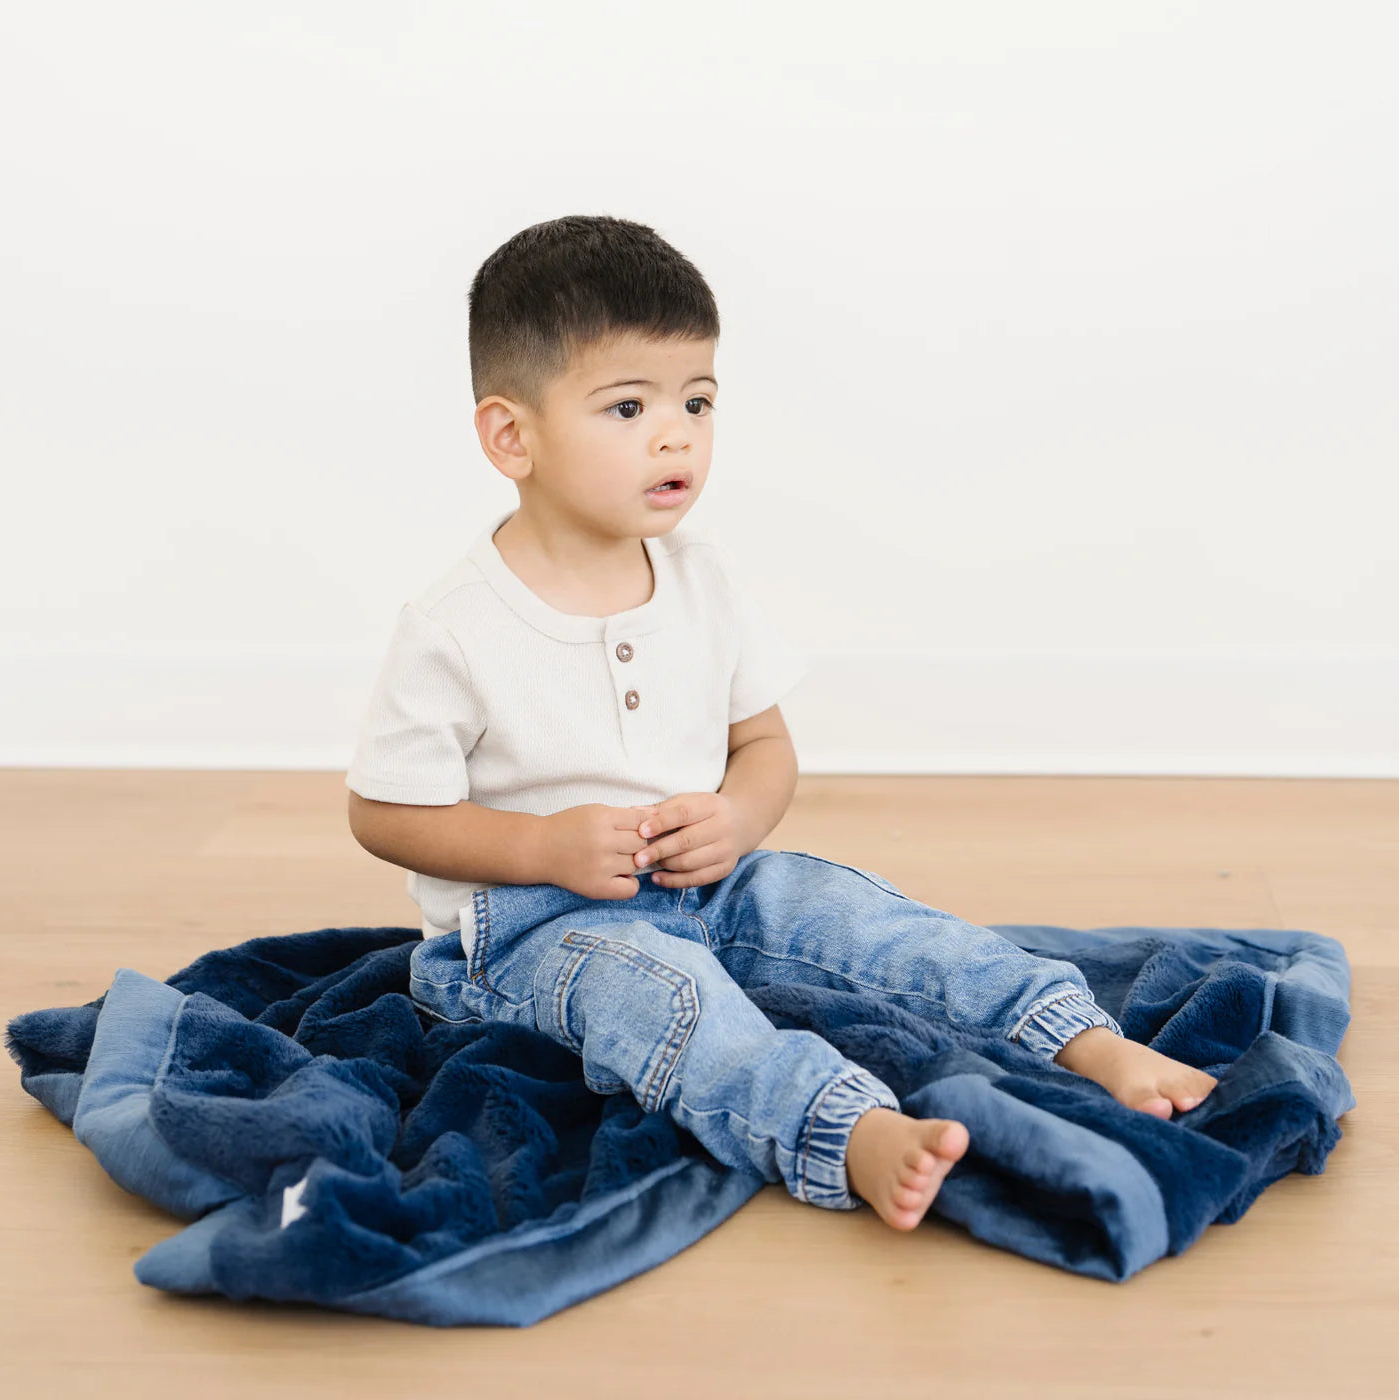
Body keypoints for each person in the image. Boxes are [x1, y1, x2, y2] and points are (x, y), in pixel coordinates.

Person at [345, 214, 1218, 1231]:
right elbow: (382, 812)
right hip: (531, 931)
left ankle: (1075, 1036)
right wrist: (536, 843)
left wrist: (737, 818)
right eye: (627, 406)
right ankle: (840, 1127)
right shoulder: (453, 625)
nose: (676, 435)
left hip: (705, 878)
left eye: (696, 401)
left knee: (862, 920)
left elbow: (763, 746)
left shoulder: (699, 578)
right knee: (670, 998)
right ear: (512, 435)